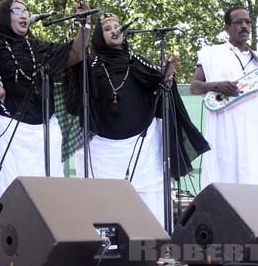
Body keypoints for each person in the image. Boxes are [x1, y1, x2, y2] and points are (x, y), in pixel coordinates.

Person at [68, 13, 210, 225]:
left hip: (142, 146)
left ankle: (152, 245)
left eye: (117, 27)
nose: (115, 31)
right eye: (108, 28)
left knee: (148, 193)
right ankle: (108, 247)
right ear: (99, 35)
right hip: (101, 148)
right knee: (104, 197)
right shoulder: (90, 66)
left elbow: (160, 83)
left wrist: (168, 75)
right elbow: (75, 99)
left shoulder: (135, 62)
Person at [0, 0, 90, 218]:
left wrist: (84, 23)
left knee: (44, 200)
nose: (24, 15)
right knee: (6, 197)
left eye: (27, 11)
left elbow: (75, 54)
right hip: (5, 130)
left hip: (41, 134)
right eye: (17, 10)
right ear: (4, 15)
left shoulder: (36, 47)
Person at [189, 6, 258, 189]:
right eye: (238, 22)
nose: (244, 26)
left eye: (247, 22)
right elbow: (194, 87)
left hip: (255, 134)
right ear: (227, 27)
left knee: (257, 184)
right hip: (226, 133)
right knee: (227, 183)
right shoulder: (212, 54)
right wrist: (218, 86)